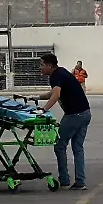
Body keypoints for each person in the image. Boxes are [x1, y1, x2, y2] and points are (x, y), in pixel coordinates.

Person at [36, 52, 91, 190]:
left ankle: (64, 179)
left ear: (49, 65)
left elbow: (56, 95)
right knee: (78, 148)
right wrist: (36, 97)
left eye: (41, 65)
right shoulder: (61, 72)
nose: (40, 68)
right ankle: (80, 181)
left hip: (74, 115)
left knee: (59, 145)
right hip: (85, 113)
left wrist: (43, 110)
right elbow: (54, 92)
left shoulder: (55, 76)